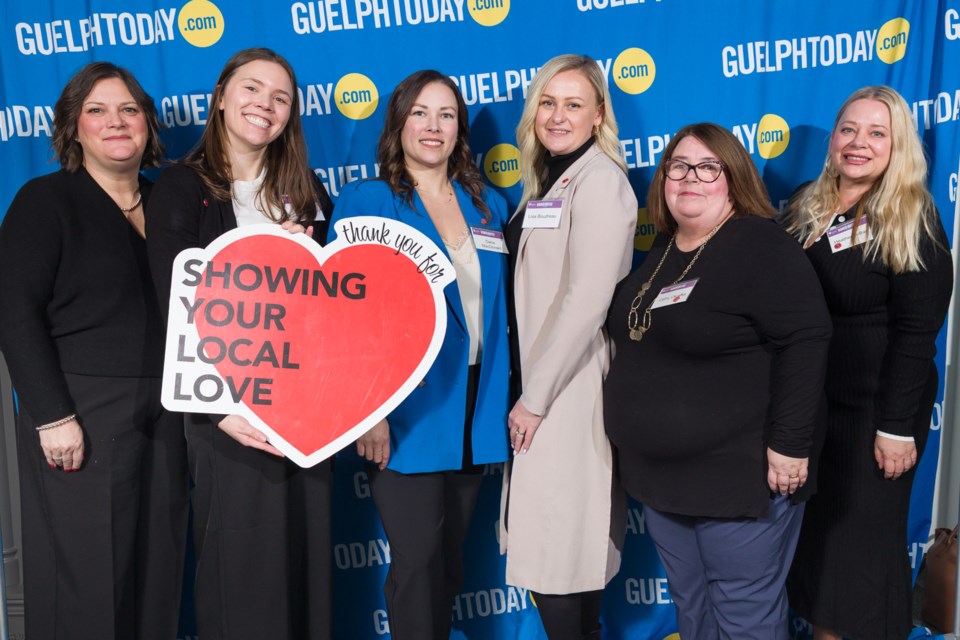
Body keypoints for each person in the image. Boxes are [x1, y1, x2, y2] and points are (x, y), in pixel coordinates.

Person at [603, 123, 832, 639]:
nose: (691, 178)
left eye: (709, 168)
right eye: (679, 166)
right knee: (693, 606)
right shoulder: (664, 248)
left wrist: (790, 445)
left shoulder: (759, 245)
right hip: (663, 480)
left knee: (744, 612)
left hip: (739, 477)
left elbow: (807, 340)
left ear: (734, 179)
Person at [145, 48, 334, 640]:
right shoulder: (181, 187)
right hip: (230, 413)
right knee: (244, 575)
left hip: (306, 412)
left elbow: (330, 314)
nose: (265, 105)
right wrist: (216, 407)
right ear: (221, 96)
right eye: (252, 89)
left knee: (308, 567)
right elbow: (174, 301)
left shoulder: (308, 191)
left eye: (281, 98)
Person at [0, 62, 188, 640]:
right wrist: (53, 415)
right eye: (97, 111)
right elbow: (13, 310)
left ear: (148, 124)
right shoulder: (46, 200)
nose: (116, 122)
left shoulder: (173, 205)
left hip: (171, 411)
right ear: (73, 127)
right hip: (81, 409)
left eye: (129, 109)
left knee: (159, 574)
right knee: (88, 583)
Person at [328, 69, 510, 640]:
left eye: (447, 115)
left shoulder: (488, 206)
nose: (434, 127)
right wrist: (370, 409)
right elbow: (343, 314)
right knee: (419, 561)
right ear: (399, 124)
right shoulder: (367, 199)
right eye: (421, 114)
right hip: (405, 410)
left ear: (460, 128)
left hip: (476, 408)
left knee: (449, 561)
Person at [784, 86, 953, 640]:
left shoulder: (914, 219)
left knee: (857, 561)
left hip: (876, 415)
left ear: (898, 146)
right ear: (832, 141)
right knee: (821, 553)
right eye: (849, 130)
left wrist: (896, 427)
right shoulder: (807, 207)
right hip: (815, 412)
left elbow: (916, 335)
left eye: (877, 133)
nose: (859, 143)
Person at [500, 54, 637, 640]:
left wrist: (534, 397)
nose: (558, 116)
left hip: (565, 390)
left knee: (561, 556)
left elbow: (586, 301)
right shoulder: (552, 182)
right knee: (560, 557)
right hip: (542, 385)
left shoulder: (602, 182)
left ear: (598, 114)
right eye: (548, 103)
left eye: (574, 104)